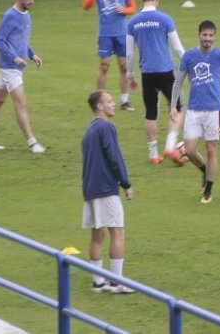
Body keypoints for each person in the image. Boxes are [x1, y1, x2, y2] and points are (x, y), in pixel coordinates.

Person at [171, 20, 220, 204]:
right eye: (205, 35)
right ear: (199, 35)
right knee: (188, 150)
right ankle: (204, 170)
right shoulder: (189, 56)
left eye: (211, 35)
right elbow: (178, 81)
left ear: (215, 36)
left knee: (211, 149)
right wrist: (174, 104)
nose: (208, 39)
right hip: (194, 111)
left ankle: (208, 191)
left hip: (215, 112)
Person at [0, 0, 46, 154]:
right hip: (10, 68)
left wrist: (32, 55)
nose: (32, 1)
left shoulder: (26, 15)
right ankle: (32, 142)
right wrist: (15, 58)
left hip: (11, 67)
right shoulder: (10, 16)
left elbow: (21, 40)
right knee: (21, 104)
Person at [125, 0, 186, 164]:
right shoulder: (165, 19)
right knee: (179, 106)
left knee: (151, 112)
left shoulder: (133, 22)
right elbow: (177, 47)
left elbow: (129, 53)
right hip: (166, 70)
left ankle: (153, 155)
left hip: (147, 73)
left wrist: (130, 75)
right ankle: (170, 145)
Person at [82, 90, 135, 294]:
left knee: (97, 234)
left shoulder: (89, 131)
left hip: (91, 189)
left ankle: (98, 283)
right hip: (106, 188)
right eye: (109, 102)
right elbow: (114, 157)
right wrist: (126, 184)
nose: (113, 105)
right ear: (99, 107)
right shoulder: (106, 128)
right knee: (117, 232)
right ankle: (117, 282)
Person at [82, 0, 136, 111]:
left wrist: (124, 10)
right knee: (104, 66)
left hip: (121, 32)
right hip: (105, 33)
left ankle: (125, 101)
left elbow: (133, 7)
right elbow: (85, 6)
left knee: (124, 65)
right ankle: (99, 100)